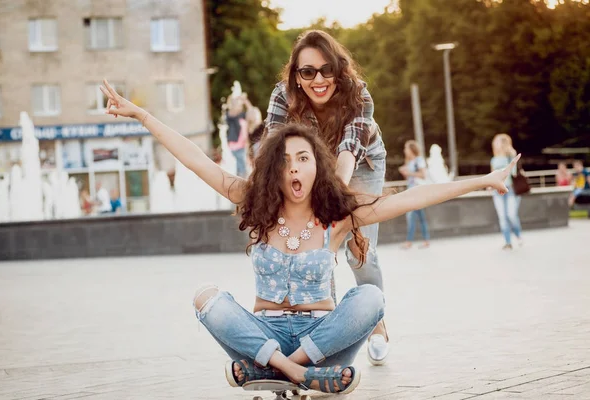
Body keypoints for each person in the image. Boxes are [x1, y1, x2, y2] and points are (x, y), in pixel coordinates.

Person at [99, 79, 518, 394]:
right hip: (262, 333)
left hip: (322, 341)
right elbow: (193, 159)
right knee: (206, 297)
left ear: (317, 165)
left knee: (371, 298)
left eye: (303, 158)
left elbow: (413, 197)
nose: (295, 168)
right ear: (274, 171)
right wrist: (142, 115)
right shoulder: (255, 205)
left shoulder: (336, 218)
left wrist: (483, 180)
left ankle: (276, 371)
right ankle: (299, 376)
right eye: (285, 161)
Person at [264, 30, 390, 365]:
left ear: (338, 68)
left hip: (361, 164)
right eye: (308, 72)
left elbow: (349, 151)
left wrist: (331, 206)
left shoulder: (358, 93)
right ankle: (326, 332)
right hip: (312, 166)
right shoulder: (283, 95)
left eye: (326, 70)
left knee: (359, 250)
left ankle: (375, 319)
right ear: (296, 75)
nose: (318, 79)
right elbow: (272, 148)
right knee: (319, 247)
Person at [490, 133, 523, 250]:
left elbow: (513, 173)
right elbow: (492, 175)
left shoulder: (510, 157)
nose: (497, 144)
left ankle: (518, 235)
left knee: (511, 215)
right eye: (496, 142)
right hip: (497, 192)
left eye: (499, 141)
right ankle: (508, 242)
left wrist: (513, 156)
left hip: (510, 189)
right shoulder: (493, 160)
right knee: (502, 217)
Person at [399, 140, 431, 249]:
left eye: (406, 148)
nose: (404, 150)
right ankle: (426, 240)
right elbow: (409, 177)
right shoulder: (409, 162)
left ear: (411, 149)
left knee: (411, 216)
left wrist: (408, 173)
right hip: (411, 190)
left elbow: (423, 175)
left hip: (417, 191)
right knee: (420, 216)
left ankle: (409, 241)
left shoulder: (419, 160)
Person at [225, 95, 249, 178]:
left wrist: (245, 101)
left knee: (240, 167)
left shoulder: (241, 115)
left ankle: (240, 183)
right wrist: (235, 100)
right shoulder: (230, 116)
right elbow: (232, 111)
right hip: (235, 145)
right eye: (238, 104)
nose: (240, 106)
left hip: (242, 145)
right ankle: (244, 184)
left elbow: (252, 112)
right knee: (242, 167)